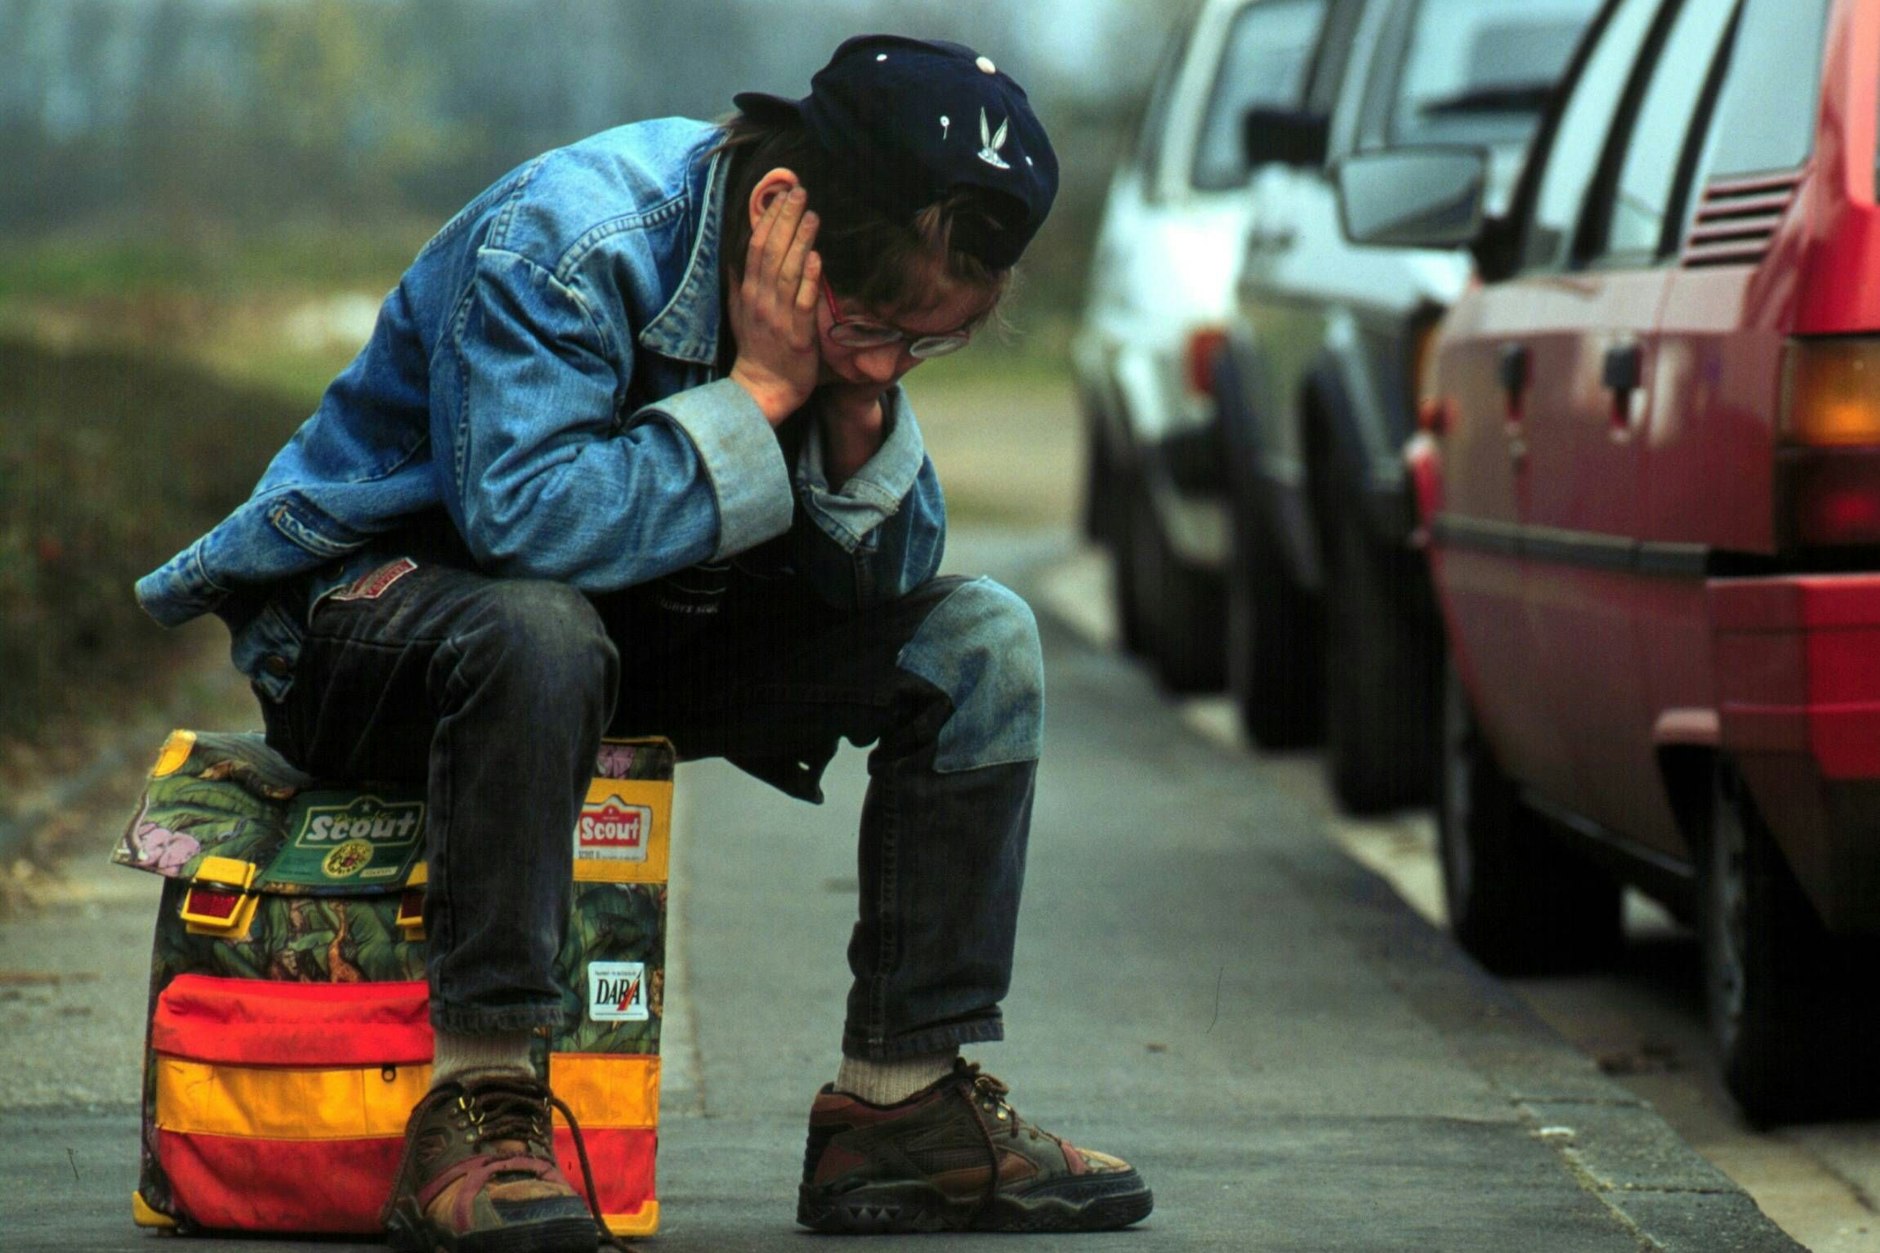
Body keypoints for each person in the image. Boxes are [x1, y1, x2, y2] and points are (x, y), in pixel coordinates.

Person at [134, 33, 1152, 1251]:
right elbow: (522, 522)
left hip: (622, 639)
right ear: (782, 211)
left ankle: (901, 1105)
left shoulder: (847, 310)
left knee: (978, 639)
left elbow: (890, 574)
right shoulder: (569, 238)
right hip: (376, 631)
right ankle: (477, 1104)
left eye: (924, 344)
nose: (885, 358)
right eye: (873, 322)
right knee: (538, 626)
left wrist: (854, 409)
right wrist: (758, 398)